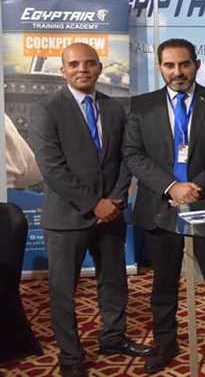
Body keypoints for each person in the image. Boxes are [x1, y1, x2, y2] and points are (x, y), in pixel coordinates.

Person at [29, 43, 150, 377]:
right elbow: (52, 168)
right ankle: (71, 356)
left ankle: (113, 338)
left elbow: (126, 157)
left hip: (111, 214)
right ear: (63, 71)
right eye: (73, 64)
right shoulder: (46, 109)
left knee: (114, 282)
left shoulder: (114, 107)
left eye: (88, 63)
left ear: (99, 68)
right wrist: (94, 204)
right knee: (63, 291)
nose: (81, 69)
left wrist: (115, 199)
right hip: (67, 217)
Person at [124, 38, 205, 374]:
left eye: (184, 64)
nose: (177, 72)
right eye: (170, 65)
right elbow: (133, 154)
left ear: (196, 65)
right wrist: (173, 186)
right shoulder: (141, 105)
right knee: (163, 283)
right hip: (160, 205)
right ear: (159, 67)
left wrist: (195, 187)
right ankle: (165, 344)